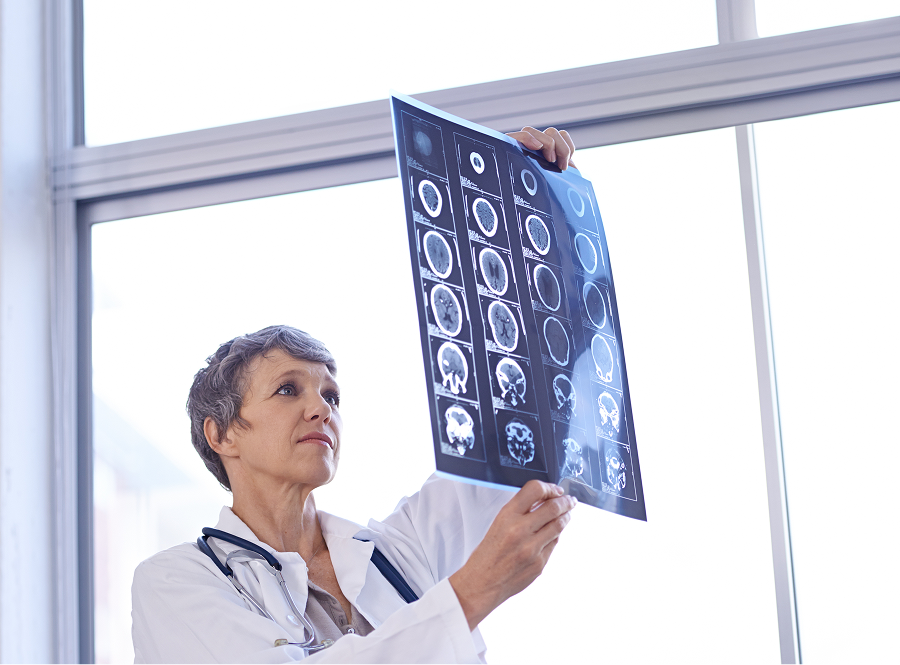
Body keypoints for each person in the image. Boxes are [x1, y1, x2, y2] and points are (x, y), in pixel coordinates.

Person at [131, 128, 578, 665]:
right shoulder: (177, 584)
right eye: (288, 390)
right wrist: (474, 591)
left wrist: (531, 213)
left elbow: (518, 426)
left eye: (332, 395)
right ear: (222, 433)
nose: (321, 408)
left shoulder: (395, 552)